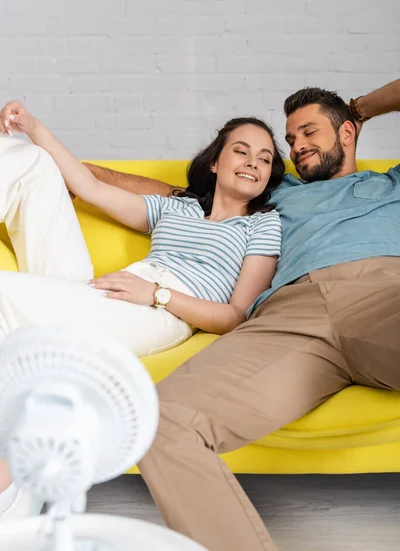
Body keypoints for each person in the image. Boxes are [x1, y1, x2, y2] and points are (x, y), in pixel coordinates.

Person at [52, 78, 399, 551]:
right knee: (161, 420)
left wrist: (359, 108)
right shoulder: (272, 195)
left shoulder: (390, 183)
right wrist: (50, 162)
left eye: (309, 132)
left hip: (382, 295)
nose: (296, 147)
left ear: (346, 134)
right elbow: (177, 197)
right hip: (285, 321)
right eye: (291, 139)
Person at [0, 108, 285, 521]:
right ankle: (25, 482)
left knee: (4, 293)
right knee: (32, 162)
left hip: (157, 310)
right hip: (108, 292)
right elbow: (88, 188)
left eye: (264, 159)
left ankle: (11, 476)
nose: (253, 163)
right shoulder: (177, 208)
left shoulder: (261, 225)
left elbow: (235, 315)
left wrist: (158, 294)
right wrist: (33, 127)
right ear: (215, 161)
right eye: (242, 151)